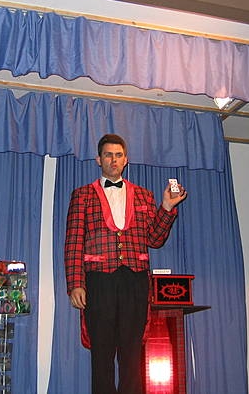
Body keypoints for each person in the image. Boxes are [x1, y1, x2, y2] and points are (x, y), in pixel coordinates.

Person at [64, 133, 187, 394]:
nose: (114, 160)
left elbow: (154, 239)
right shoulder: (82, 195)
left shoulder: (143, 195)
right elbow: (73, 242)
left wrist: (166, 207)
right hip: (99, 281)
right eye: (108, 155)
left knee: (132, 354)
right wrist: (75, 284)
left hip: (135, 280)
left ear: (126, 160)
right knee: (102, 355)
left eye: (118, 155)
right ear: (99, 159)